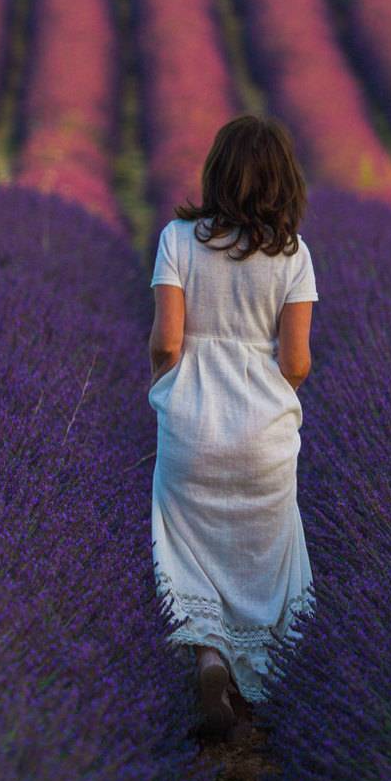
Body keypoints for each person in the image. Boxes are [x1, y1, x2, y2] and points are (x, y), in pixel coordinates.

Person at [147, 114, 317, 739]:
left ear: (217, 172)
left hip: (191, 426)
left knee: (186, 552)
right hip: (264, 436)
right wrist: (268, 402)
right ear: (284, 181)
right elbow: (296, 361)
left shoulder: (177, 239)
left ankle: (209, 657)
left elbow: (167, 342)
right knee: (263, 558)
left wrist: (167, 391)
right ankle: (259, 691)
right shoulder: (294, 256)